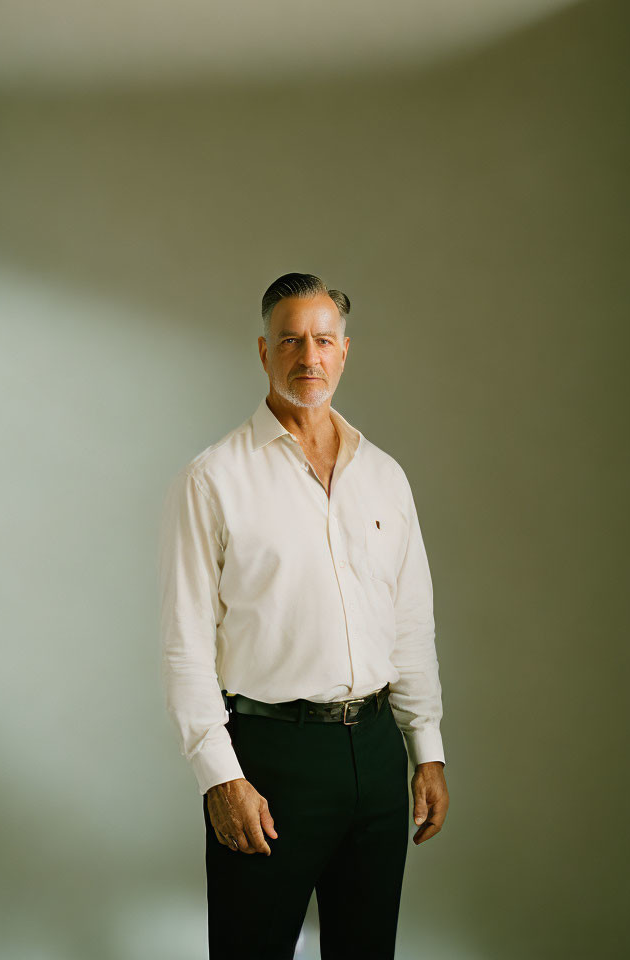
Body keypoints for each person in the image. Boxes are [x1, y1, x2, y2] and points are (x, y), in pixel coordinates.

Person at [159, 272, 448, 960]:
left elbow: (411, 622)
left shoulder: (384, 475)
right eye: (290, 341)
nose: (307, 356)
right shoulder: (214, 478)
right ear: (264, 353)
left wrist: (426, 748)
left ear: (344, 352)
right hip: (271, 760)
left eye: (322, 340)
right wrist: (219, 776)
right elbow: (185, 643)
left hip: (377, 755)